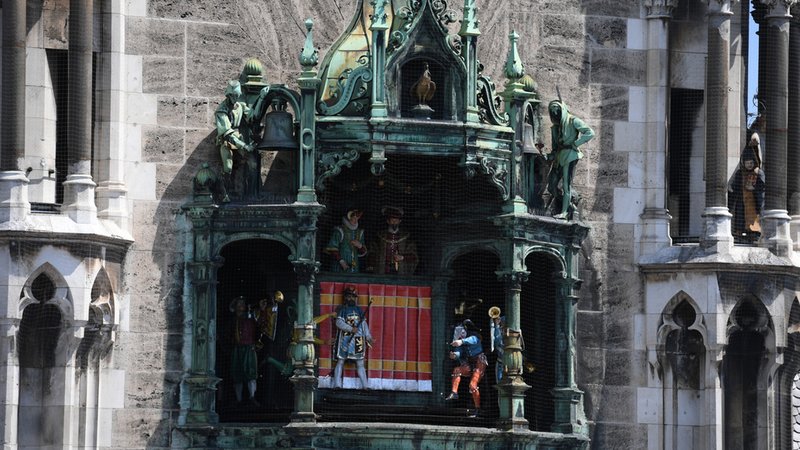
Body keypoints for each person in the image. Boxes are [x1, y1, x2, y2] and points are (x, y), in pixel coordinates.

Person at [215, 80, 267, 201]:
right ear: (228, 95)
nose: (235, 98)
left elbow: (253, 116)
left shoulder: (240, 106)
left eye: (237, 95)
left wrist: (261, 98)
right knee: (228, 166)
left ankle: (251, 193)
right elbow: (227, 133)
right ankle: (225, 194)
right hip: (227, 140)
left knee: (252, 163)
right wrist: (244, 146)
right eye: (232, 95)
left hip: (239, 138)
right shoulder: (221, 110)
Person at [543, 99, 595, 219]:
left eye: (556, 110)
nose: (555, 113)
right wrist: (548, 156)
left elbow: (590, 132)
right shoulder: (556, 128)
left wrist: (576, 144)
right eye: (552, 111)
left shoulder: (573, 120)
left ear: (562, 109)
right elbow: (555, 148)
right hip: (559, 157)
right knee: (551, 186)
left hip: (570, 155)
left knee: (566, 185)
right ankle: (570, 205)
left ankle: (565, 212)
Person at [332, 285, 373, 389]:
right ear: (345, 297)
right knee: (340, 361)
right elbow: (338, 322)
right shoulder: (342, 309)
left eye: (353, 296)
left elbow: (363, 324)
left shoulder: (359, 310)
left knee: (360, 363)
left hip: (358, 340)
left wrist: (368, 336)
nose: (351, 298)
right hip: (345, 339)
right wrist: (350, 329)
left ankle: (365, 386)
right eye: (348, 296)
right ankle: (337, 385)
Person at [728, 134, 765, 242]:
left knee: (754, 218)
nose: (749, 165)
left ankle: (754, 233)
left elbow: (762, 185)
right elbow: (734, 185)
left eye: (751, 163)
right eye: (747, 163)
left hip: (753, 201)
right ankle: (740, 233)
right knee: (740, 215)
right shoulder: (741, 173)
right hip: (742, 199)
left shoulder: (758, 173)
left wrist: (754, 188)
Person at [445, 319, 487, 415]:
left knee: (473, 385)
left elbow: (474, 340)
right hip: (468, 362)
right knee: (457, 370)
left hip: (479, 362)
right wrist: (455, 355)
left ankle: (477, 409)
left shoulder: (475, 336)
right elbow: (459, 351)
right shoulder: (461, 339)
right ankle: (454, 392)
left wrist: (462, 341)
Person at [229, 296, 260, 406]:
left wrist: (255, 344)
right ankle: (238, 399)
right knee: (237, 374)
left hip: (249, 348)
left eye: (243, 304)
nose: (241, 306)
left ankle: (252, 396)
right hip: (237, 348)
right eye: (239, 304)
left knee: (251, 373)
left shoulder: (251, 318)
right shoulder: (232, 320)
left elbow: (258, 330)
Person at [369, 206, 418, 275]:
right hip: (382, 272)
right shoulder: (379, 237)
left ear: (400, 221)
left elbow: (414, 256)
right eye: (392, 220)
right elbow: (372, 253)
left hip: (401, 272)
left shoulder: (407, 238)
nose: (394, 222)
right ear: (388, 221)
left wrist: (402, 257)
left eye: (396, 220)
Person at [324, 208, 368, 273]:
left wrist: (360, 246)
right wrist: (341, 261)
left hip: (354, 268)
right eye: (354, 218)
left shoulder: (359, 232)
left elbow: (363, 251)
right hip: (339, 268)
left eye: (357, 218)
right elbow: (332, 248)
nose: (355, 220)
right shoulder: (339, 231)